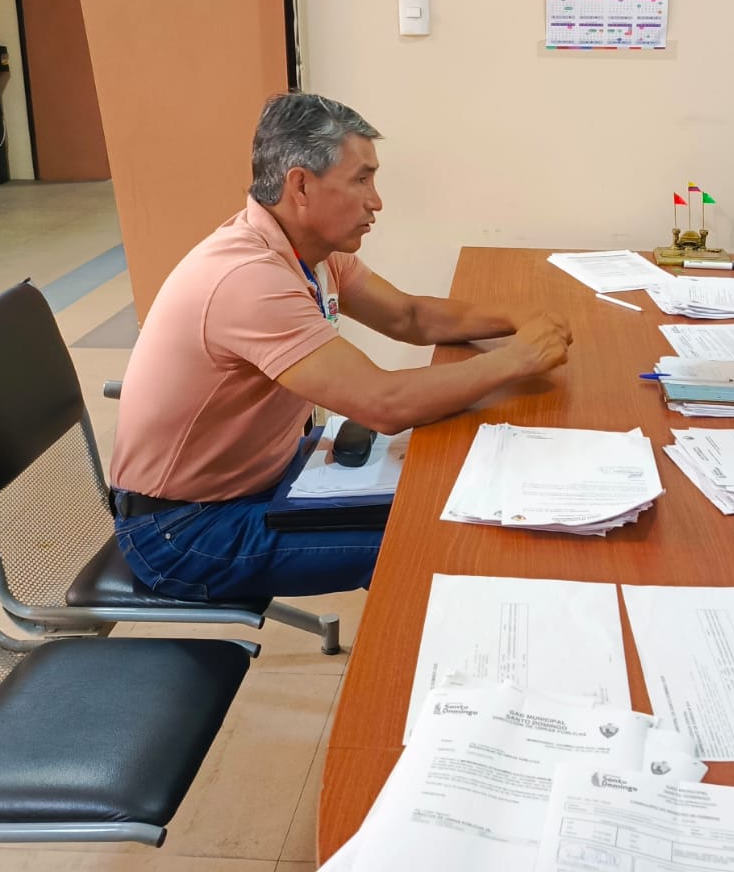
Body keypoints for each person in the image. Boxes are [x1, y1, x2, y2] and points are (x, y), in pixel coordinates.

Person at [109, 92, 573, 601]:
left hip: (261, 476)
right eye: (361, 180)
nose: (376, 201)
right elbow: (384, 405)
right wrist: (518, 358)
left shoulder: (310, 252)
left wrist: (516, 317)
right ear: (301, 186)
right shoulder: (249, 278)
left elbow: (409, 316)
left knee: (442, 491)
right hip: (184, 530)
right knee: (430, 538)